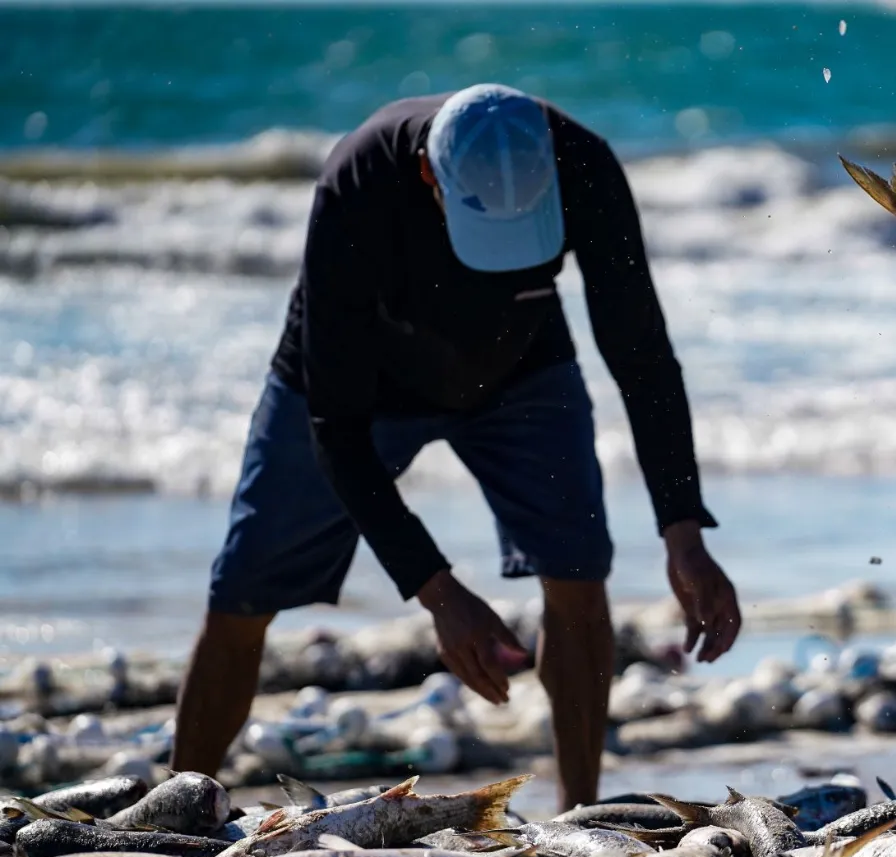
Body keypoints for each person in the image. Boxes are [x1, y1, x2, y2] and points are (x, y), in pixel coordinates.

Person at [169, 84, 742, 810]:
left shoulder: (585, 167)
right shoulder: (359, 181)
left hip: (521, 368)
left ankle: (578, 815)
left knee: (579, 573)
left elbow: (642, 355)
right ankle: (176, 815)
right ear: (429, 177)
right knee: (242, 591)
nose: (495, 265)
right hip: (360, 384)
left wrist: (683, 531)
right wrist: (438, 593)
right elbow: (336, 432)